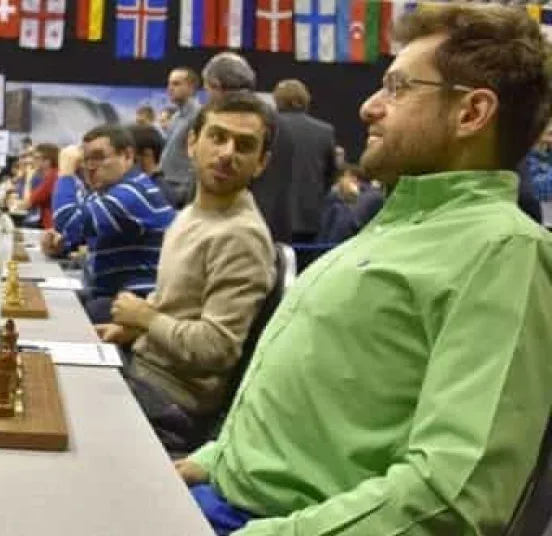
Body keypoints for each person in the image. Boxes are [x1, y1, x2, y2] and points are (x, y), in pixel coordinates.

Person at [175, 5, 552, 535]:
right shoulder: (396, 226)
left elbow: (452, 496)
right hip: (220, 495)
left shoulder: (502, 251)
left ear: (471, 113)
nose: (369, 106)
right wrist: (209, 462)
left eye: (398, 88)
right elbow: (324, 407)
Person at [98, 92, 276, 452]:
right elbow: (178, 303)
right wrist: (132, 328)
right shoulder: (192, 214)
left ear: (261, 163)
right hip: (145, 372)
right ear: (192, 143)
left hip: (172, 404)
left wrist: (147, 319)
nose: (227, 153)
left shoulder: (241, 236)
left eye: (244, 145)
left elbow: (216, 348)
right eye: (217, 137)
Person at [44, 125, 176, 320]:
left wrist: (65, 173)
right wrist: (61, 245)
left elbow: (67, 221)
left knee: (63, 314)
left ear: (127, 156)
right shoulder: (105, 192)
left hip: (138, 303)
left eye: (98, 157)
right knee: (52, 302)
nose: (90, 167)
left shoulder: (132, 193)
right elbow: (74, 232)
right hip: (110, 295)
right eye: (86, 160)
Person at [252, 79, 337, 249]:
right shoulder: (325, 131)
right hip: (309, 217)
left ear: (276, 100)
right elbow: (331, 174)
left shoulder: (264, 128)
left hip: (267, 216)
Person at [158, 67, 201, 208]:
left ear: (191, 88)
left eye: (176, 84)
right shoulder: (175, 117)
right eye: (169, 83)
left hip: (183, 186)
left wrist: (189, 187)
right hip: (167, 182)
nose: (170, 88)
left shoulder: (199, 115)